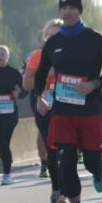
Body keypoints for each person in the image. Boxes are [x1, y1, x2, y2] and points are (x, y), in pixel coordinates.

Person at [33, 0, 102, 203]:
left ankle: (99, 167)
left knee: (91, 162)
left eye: (71, 7)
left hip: (90, 111)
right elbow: (41, 74)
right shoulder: (54, 43)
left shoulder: (95, 39)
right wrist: (41, 97)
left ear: (80, 10)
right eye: (63, 8)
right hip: (62, 112)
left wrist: (92, 85)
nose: (67, 12)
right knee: (66, 162)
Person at [22, 19, 62, 179]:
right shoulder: (37, 56)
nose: (54, 39)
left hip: (67, 102)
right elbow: (26, 84)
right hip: (43, 104)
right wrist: (47, 74)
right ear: (45, 37)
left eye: (58, 35)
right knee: (51, 141)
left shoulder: (75, 54)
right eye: (50, 35)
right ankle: (57, 182)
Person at [0, 45, 25, 185]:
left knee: (4, 143)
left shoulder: (14, 72)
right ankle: (7, 159)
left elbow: (25, 89)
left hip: (10, 114)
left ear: (8, 57)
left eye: (3, 54)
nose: (0, 56)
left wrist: (18, 94)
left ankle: (7, 175)